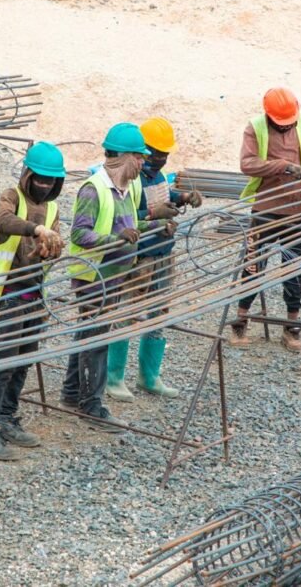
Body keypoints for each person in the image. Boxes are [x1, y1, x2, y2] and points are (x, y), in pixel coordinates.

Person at [62, 123, 175, 431]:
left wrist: (155, 225)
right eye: (139, 157)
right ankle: (92, 405)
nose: (144, 162)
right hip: (92, 275)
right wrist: (115, 238)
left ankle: (72, 392)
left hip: (114, 274)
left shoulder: (130, 185)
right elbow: (79, 234)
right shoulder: (93, 188)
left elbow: (131, 221)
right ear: (124, 156)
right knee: (97, 338)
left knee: (88, 332)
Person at [0, 141, 66, 461]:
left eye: (51, 181)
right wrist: (35, 228)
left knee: (25, 357)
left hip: (35, 293)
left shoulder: (53, 208)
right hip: (10, 292)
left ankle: (9, 417)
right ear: (27, 174)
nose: (44, 185)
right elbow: (2, 221)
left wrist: (51, 249)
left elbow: (54, 242)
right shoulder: (12, 196)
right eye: (40, 179)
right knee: (6, 360)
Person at [104, 117, 202, 402]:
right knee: (126, 314)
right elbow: (125, 216)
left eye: (164, 154)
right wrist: (153, 215)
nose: (159, 159)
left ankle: (149, 376)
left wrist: (181, 197)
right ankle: (114, 377)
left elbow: (162, 194)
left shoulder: (157, 176)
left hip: (162, 254)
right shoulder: (130, 179)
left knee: (158, 313)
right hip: (140, 257)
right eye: (154, 153)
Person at [230, 87, 301, 352]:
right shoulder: (255, 127)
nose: (287, 127)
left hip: (298, 209)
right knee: (254, 264)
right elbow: (247, 163)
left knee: (294, 267)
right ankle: (240, 321)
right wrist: (282, 166)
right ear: (269, 115)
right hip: (266, 208)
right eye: (281, 123)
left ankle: (291, 327)